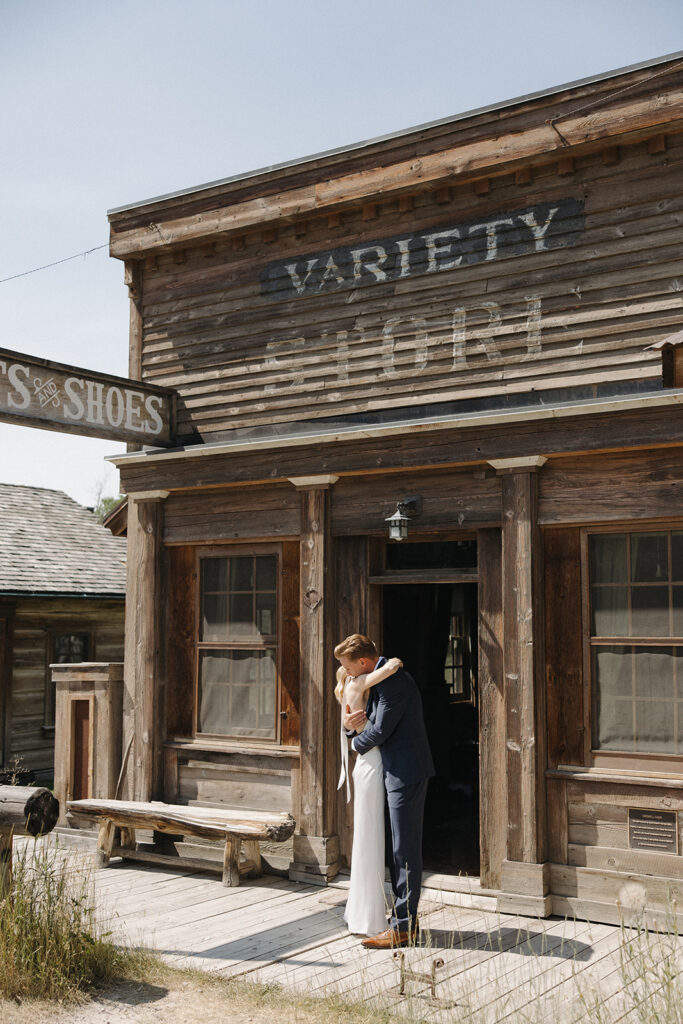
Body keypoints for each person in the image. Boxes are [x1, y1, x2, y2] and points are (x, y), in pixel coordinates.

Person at [334, 634, 435, 950]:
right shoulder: (374, 678)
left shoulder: (395, 683)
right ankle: (400, 920)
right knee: (394, 848)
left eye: (349, 667)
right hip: (390, 771)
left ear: (363, 662)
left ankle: (404, 928)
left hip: (405, 772)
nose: (348, 674)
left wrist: (354, 744)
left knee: (404, 850)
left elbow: (380, 730)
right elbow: (360, 721)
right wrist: (350, 726)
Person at [335, 655, 403, 937]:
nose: (351, 671)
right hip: (371, 759)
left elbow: (348, 726)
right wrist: (392, 664)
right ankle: (369, 917)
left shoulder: (348, 687)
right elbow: (383, 671)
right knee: (370, 836)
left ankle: (362, 910)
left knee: (368, 836)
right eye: (349, 668)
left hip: (368, 761)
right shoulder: (357, 681)